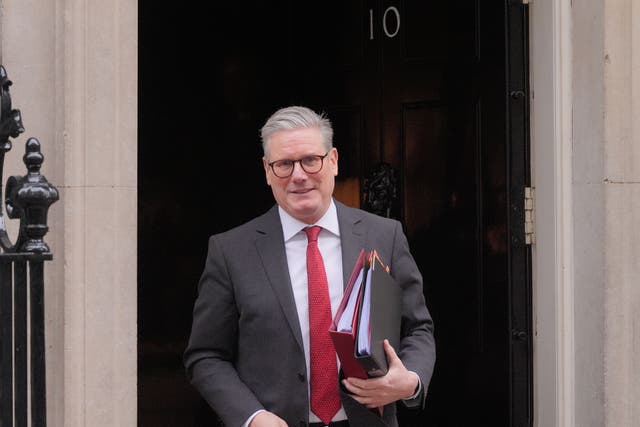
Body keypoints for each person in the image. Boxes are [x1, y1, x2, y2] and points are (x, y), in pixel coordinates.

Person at [183, 106, 435, 427]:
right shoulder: (230, 251)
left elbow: (418, 329)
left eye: (310, 160)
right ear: (267, 170)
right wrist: (251, 417)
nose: (298, 175)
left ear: (333, 160)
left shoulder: (384, 236)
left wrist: (410, 379)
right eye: (284, 164)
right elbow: (206, 356)